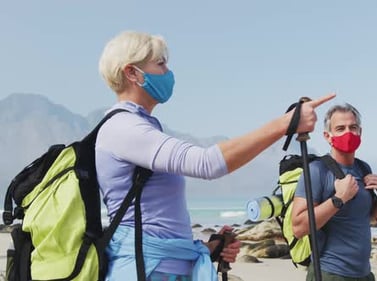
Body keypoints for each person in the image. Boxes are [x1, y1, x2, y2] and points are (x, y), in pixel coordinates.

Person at [96, 30, 335, 281]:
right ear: (132, 72)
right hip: (142, 273)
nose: (168, 72)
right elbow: (207, 163)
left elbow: (157, 222)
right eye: (160, 63)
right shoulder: (123, 128)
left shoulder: (140, 126)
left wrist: (210, 248)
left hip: (161, 269)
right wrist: (286, 123)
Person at [291, 103, 377, 281]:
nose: (348, 133)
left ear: (360, 132)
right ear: (328, 136)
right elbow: (298, 228)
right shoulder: (317, 170)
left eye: (353, 127)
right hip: (330, 273)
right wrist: (338, 199)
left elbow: (371, 218)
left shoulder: (363, 168)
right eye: (340, 128)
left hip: (364, 274)